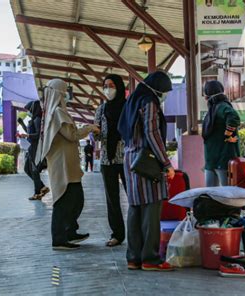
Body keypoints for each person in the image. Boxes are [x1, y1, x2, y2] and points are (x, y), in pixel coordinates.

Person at [117, 70, 175, 271]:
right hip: (146, 161)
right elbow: (152, 133)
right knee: (151, 207)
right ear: (157, 88)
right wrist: (166, 163)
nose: (164, 95)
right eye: (164, 91)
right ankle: (150, 258)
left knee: (135, 207)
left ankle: (133, 257)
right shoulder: (149, 102)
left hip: (131, 159)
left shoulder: (132, 100)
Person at [35, 78, 100, 250]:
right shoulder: (57, 112)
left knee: (76, 199)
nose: (66, 96)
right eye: (64, 93)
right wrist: (90, 128)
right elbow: (72, 135)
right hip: (62, 164)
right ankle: (59, 238)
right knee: (63, 201)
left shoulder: (55, 112)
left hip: (67, 164)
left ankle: (70, 231)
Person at [94, 74, 127, 247]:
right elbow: (96, 132)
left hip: (127, 157)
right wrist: (94, 133)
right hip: (108, 158)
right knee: (112, 198)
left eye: (111, 85)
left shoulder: (128, 107)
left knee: (133, 196)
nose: (108, 89)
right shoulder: (101, 109)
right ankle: (117, 234)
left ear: (119, 86)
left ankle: (139, 231)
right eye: (105, 85)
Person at [202, 80, 241, 187]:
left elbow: (233, 117)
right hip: (212, 160)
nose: (205, 97)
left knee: (226, 193)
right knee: (212, 194)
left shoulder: (221, 106)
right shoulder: (215, 108)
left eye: (205, 94)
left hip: (222, 158)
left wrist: (228, 133)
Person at [19, 101, 50, 200]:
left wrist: (27, 135)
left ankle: (37, 193)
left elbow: (38, 135)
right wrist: (22, 124)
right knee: (27, 169)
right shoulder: (34, 119)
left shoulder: (37, 119)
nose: (29, 112)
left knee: (34, 170)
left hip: (36, 148)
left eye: (29, 110)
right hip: (31, 147)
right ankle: (42, 187)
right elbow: (30, 132)